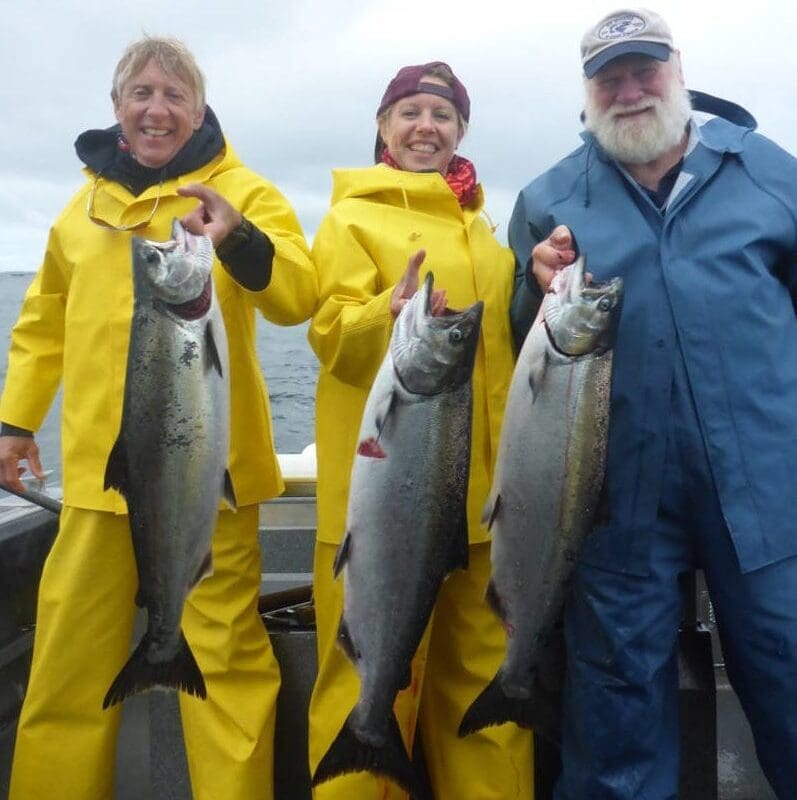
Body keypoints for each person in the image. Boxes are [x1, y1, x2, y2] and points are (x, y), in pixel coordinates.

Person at [0, 36, 316, 800]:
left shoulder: (244, 190)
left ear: (199, 111)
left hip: (212, 480)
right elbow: (42, 322)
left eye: (175, 95)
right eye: (140, 93)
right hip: (97, 482)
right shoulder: (80, 210)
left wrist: (238, 236)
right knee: (68, 666)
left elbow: (297, 296)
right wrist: (14, 423)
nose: (156, 109)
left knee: (226, 666)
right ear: (117, 108)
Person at [510, 8, 797, 799]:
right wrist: (530, 287)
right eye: (609, 78)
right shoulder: (549, 198)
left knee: (789, 670)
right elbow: (519, 346)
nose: (629, 90)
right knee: (615, 721)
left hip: (769, 490)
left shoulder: (768, 171)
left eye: (644, 70)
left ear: (677, 71)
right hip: (612, 498)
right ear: (587, 91)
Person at [306, 62, 534, 799]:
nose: (424, 127)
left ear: (461, 130)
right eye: (408, 113)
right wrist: (387, 311)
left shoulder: (488, 234)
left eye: (441, 114)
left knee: (487, 700)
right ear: (382, 127)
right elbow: (332, 339)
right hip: (381, 510)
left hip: (483, 513)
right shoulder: (349, 219)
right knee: (366, 683)